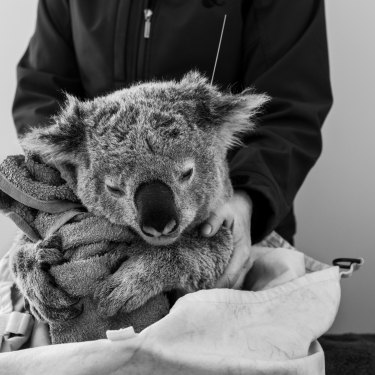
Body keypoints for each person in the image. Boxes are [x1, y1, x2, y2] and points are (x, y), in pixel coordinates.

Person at [12, 0, 333, 290]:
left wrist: (249, 199)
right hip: (99, 216)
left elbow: (287, 107)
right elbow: (42, 95)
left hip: (225, 215)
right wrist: (72, 198)